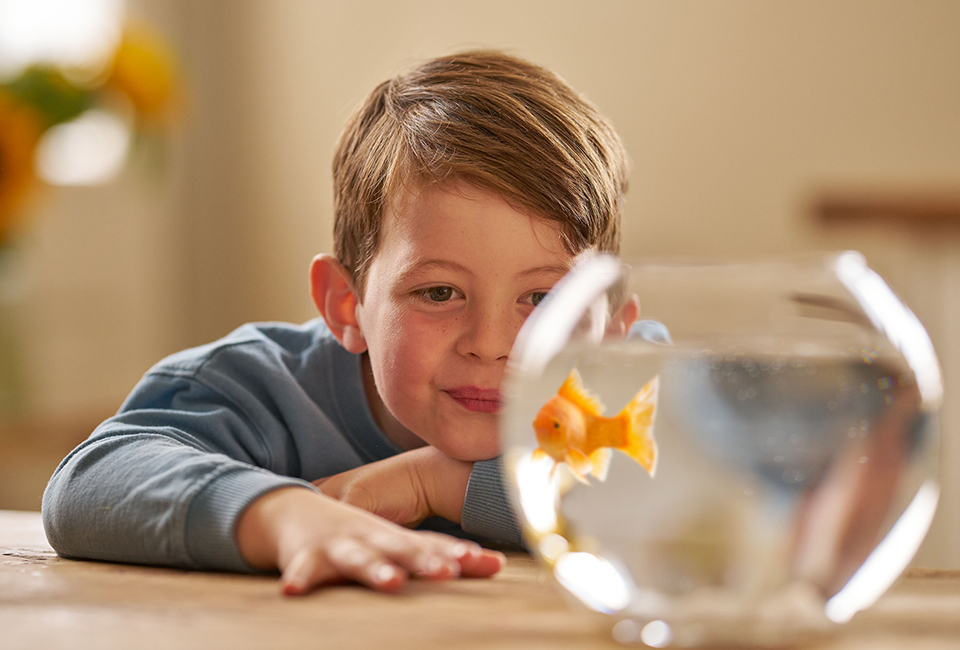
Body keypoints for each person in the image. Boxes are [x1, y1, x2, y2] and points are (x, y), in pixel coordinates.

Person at [41, 50, 630, 595]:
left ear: (611, 329)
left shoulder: (632, 387)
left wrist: (440, 483)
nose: (492, 344)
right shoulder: (264, 388)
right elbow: (89, 485)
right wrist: (280, 514)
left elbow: (696, 488)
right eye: (440, 291)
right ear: (347, 305)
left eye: (543, 300)